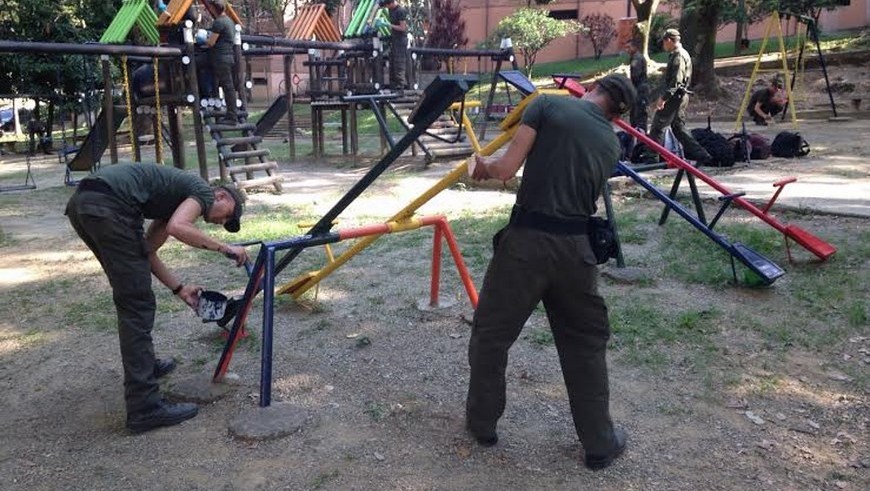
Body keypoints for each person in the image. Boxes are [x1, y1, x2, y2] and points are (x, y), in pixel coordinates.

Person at [466, 74, 635, 471]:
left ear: (593, 86)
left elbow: (506, 169)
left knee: (491, 335)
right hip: (578, 253)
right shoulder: (612, 144)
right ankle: (599, 443)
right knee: (584, 347)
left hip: (526, 245)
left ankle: (482, 425)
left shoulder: (547, 105)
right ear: (617, 113)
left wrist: (482, 166)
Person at [65, 163, 249, 433]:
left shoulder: (170, 203)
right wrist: (225, 248)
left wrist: (179, 289)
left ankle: (146, 367)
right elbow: (179, 227)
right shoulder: (201, 191)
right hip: (108, 206)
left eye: (226, 225)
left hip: (86, 204)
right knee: (136, 305)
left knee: (133, 294)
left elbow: (146, 252)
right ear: (221, 196)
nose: (222, 223)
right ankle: (144, 407)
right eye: (227, 217)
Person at [648, 29, 712, 165]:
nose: (664, 46)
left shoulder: (678, 56)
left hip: (675, 97)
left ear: (669, 40)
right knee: (679, 129)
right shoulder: (680, 54)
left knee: (657, 126)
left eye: (664, 42)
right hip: (679, 96)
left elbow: (676, 81)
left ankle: (651, 158)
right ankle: (702, 155)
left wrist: (664, 98)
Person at [206, 0, 239, 124]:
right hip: (229, 57)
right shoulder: (229, 21)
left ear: (214, 9)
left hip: (220, 59)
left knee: (227, 87)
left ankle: (232, 116)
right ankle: (231, 114)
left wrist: (203, 39)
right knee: (228, 86)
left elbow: (211, 42)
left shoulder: (218, 22)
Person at [379, 0, 409, 91]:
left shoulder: (400, 11)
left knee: (399, 63)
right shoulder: (390, 10)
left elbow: (403, 28)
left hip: (401, 40)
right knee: (392, 62)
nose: (387, 8)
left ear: (391, 3)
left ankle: (401, 86)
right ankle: (393, 86)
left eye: (387, 6)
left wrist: (388, 25)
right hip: (394, 39)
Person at [625, 38, 649, 132]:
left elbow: (636, 75)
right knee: (634, 114)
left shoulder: (637, 58)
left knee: (639, 115)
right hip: (637, 89)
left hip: (640, 89)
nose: (627, 50)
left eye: (629, 47)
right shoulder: (634, 57)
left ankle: (641, 137)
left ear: (634, 47)